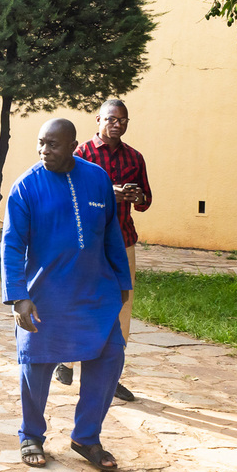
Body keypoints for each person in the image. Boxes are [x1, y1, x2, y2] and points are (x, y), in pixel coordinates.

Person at [1, 118, 131, 472]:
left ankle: (86, 437)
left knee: (109, 357)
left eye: (53, 145)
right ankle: (31, 434)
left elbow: (111, 234)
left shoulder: (97, 178)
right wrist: (17, 296)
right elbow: (12, 245)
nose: (45, 151)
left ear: (74, 145)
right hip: (46, 295)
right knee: (36, 364)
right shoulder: (26, 186)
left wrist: (122, 279)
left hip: (95, 292)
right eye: (41, 143)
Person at [56, 99, 152, 402]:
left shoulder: (135, 157)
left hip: (123, 240)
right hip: (88, 242)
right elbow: (69, 192)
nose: (117, 124)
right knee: (81, 300)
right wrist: (112, 192)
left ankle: (111, 376)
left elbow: (147, 201)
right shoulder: (81, 154)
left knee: (123, 305)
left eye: (123, 120)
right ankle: (67, 361)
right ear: (99, 119)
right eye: (112, 119)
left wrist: (136, 196)